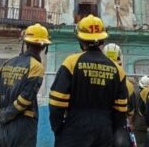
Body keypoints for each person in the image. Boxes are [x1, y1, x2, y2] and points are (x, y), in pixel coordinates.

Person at [49, 14, 128, 147]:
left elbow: (57, 102)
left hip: (74, 129)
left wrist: (59, 129)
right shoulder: (118, 70)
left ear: (81, 40)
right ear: (102, 40)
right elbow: (121, 110)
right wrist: (108, 130)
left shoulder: (71, 63)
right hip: (104, 131)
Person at [0, 23, 51, 147]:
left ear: (26, 44)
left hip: (3, 129)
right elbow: (25, 99)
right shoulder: (36, 67)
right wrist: (5, 115)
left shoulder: (6, 64)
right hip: (23, 127)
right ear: (43, 47)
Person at [133, 75, 149, 147]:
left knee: (140, 144)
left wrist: (131, 123)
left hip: (139, 124)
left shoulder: (135, 94)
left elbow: (132, 110)